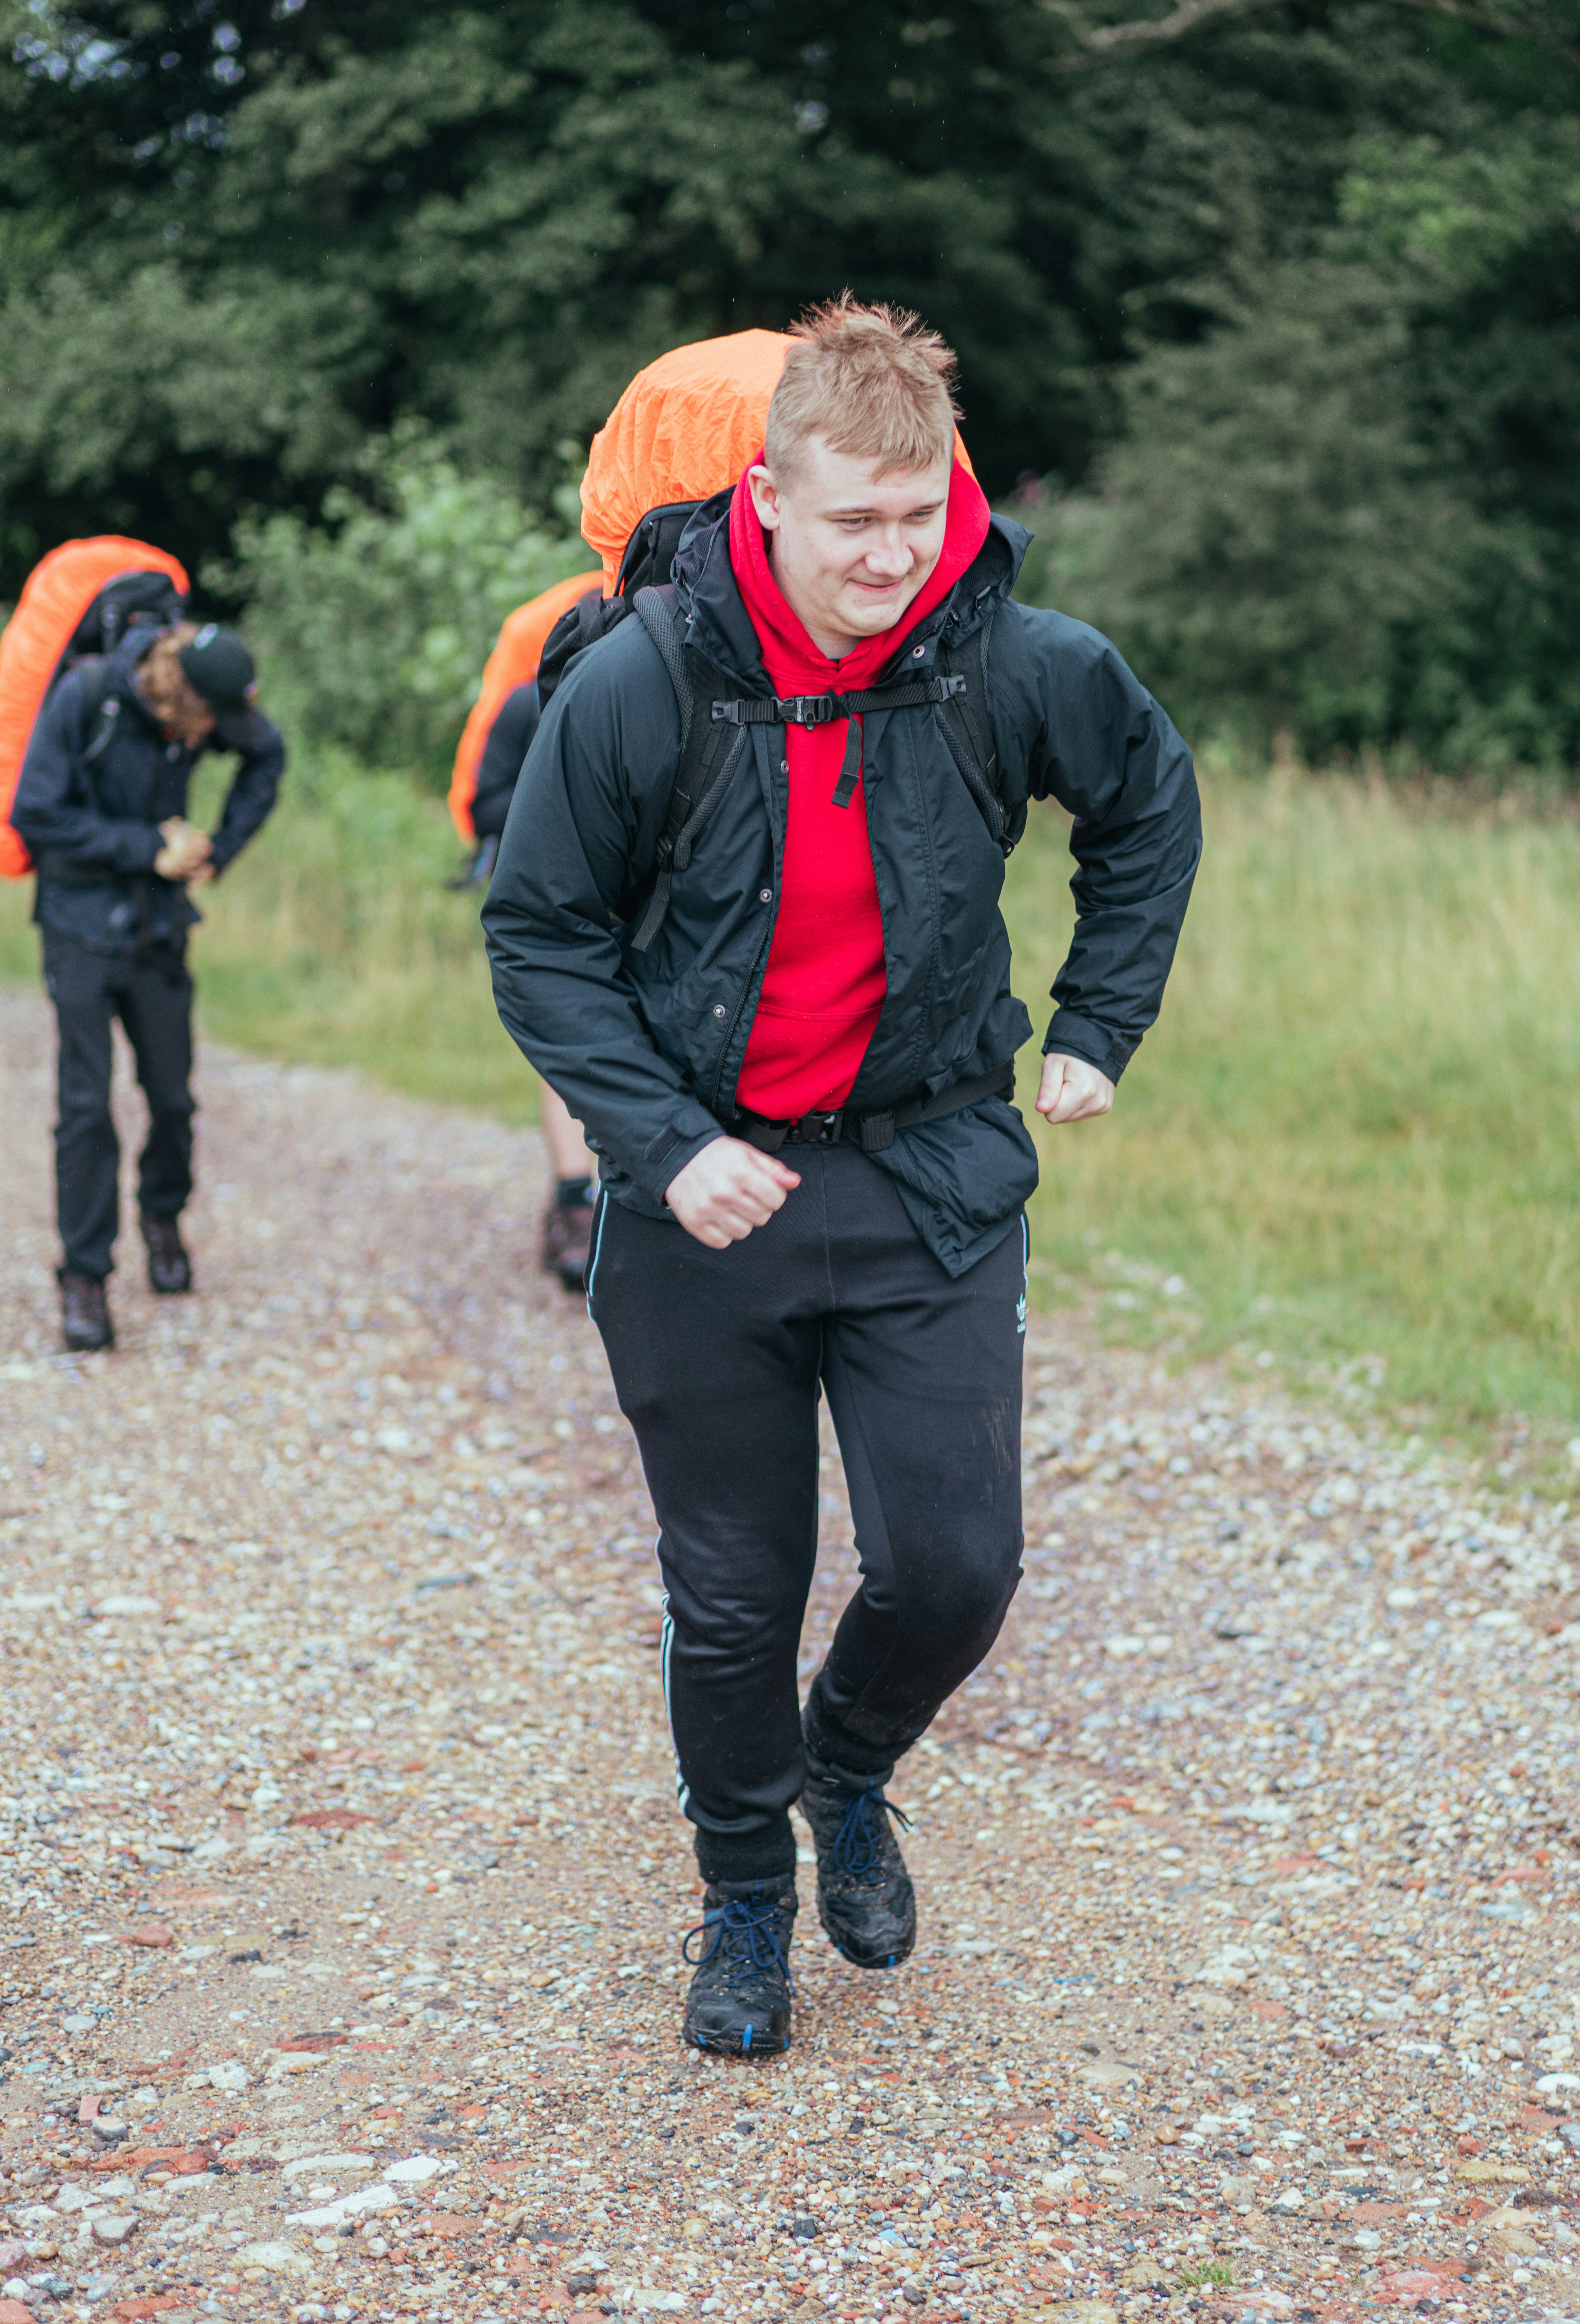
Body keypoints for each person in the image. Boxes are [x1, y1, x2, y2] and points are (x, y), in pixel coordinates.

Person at [485, 299, 1200, 2058]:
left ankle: (850, 1769)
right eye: (856, 523)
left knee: (956, 1566)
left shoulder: (1011, 659)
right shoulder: (644, 677)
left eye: (920, 516)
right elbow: (540, 937)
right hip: (707, 1209)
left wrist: (1101, 1021)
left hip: (931, 1183)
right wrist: (666, 1145)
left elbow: (1150, 802)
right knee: (730, 1590)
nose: (894, 558)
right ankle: (741, 1909)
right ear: (773, 499)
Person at [12, 620, 286, 1352]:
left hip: (158, 928)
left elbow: (269, 754)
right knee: (85, 1107)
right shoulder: (88, 698)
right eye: (213, 722)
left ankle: (161, 1217)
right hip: (78, 928)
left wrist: (217, 850)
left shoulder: (206, 712)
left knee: (172, 1097)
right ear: (182, 696)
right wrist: (146, 849)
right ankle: (85, 1278)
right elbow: (33, 813)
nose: (218, 736)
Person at [465, 679, 598, 1287]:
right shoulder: (532, 700)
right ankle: (575, 1206)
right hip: (559, 902)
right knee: (566, 1044)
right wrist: (561, 796)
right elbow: (483, 805)